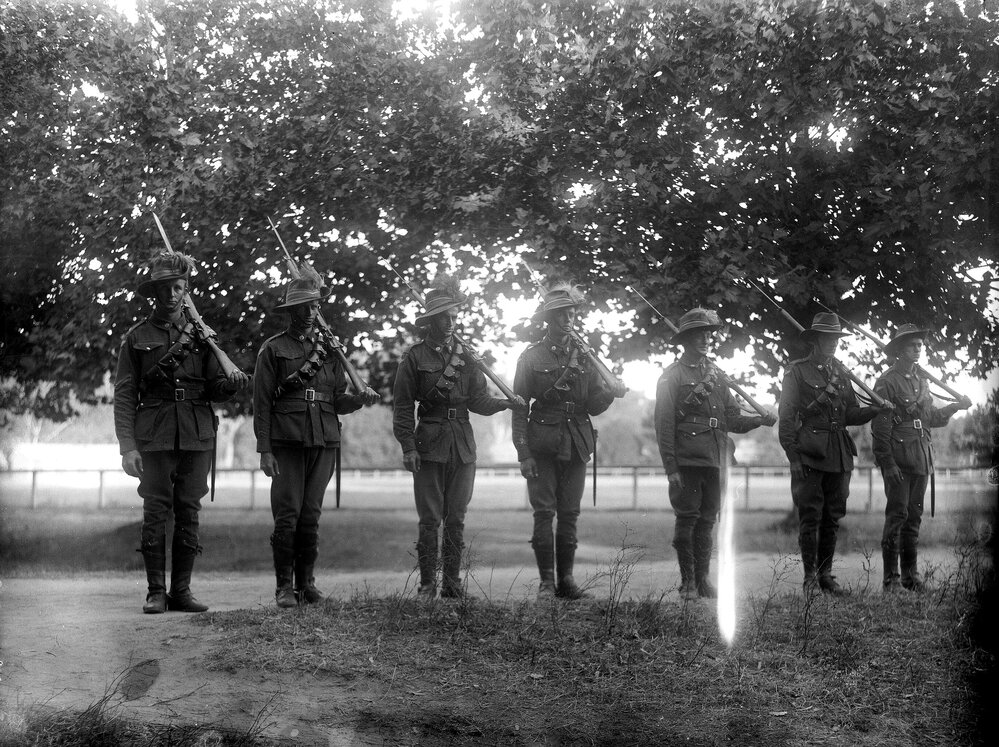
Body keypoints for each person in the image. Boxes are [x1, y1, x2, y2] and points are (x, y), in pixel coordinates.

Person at [114, 249, 249, 614]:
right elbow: (125, 395)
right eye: (164, 289)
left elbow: (213, 387)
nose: (171, 295)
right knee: (155, 510)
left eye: (178, 288)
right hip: (154, 433)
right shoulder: (137, 336)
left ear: (185, 290)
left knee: (189, 509)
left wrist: (231, 383)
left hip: (197, 432)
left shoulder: (203, 336)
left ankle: (182, 592)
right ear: (153, 293)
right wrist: (128, 446)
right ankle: (156, 592)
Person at [253, 260, 380, 608]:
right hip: (287, 440)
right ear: (291, 310)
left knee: (311, 513)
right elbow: (262, 403)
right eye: (304, 306)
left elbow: (337, 399)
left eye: (315, 305)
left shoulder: (331, 350)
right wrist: (265, 448)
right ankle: (283, 587)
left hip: (324, 439)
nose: (310, 311)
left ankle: (306, 584)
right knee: (288, 513)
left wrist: (357, 400)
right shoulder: (273, 349)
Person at [392, 274, 523, 599]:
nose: (450, 322)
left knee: (457, 519)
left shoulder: (467, 357)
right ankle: (426, 585)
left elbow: (478, 400)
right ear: (431, 321)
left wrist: (505, 402)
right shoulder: (415, 357)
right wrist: (408, 447)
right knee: (429, 520)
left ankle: (452, 584)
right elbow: (403, 407)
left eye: (454, 316)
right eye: (444, 317)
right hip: (428, 443)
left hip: (463, 445)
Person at [512, 282, 627, 600]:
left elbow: (592, 405)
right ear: (549, 319)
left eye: (572, 313)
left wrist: (610, 394)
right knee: (544, 513)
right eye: (562, 314)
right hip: (542, 444)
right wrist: (523, 453)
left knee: (570, 514)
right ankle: (547, 583)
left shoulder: (587, 358)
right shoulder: (530, 357)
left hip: (577, 443)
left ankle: (567, 581)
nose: (569, 319)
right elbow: (519, 407)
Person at [654, 308, 777, 601]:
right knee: (687, 518)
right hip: (687, 459)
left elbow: (732, 419)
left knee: (708, 520)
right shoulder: (672, 376)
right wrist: (670, 466)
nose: (706, 339)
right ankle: (687, 584)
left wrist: (759, 420)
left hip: (716, 457)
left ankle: (703, 580)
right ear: (685, 339)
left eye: (708, 334)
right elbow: (664, 424)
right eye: (698, 334)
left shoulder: (717, 376)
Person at [778, 312, 891, 595]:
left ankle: (825, 575)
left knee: (832, 517)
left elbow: (850, 413)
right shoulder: (797, 372)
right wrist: (793, 457)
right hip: (810, 452)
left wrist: (875, 410)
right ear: (815, 340)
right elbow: (788, 416)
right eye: (827, 338)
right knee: (810, 516)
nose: (833, 343)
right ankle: (808, 579)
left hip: (839, 453)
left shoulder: (842, 373)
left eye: (836, 339)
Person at [872, 324, 972, 593]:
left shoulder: (922, 382)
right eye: (912, 345)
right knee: (898, 515)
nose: (918, 349)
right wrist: (887, 462)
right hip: (899, 459)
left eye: (919, 344)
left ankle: (910, 577)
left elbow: (931, 419)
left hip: (921, 456)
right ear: (899, 350)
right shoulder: (887, 381)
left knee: (914, 517)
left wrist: (954, 407)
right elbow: (880, 428)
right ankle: (890, 580)